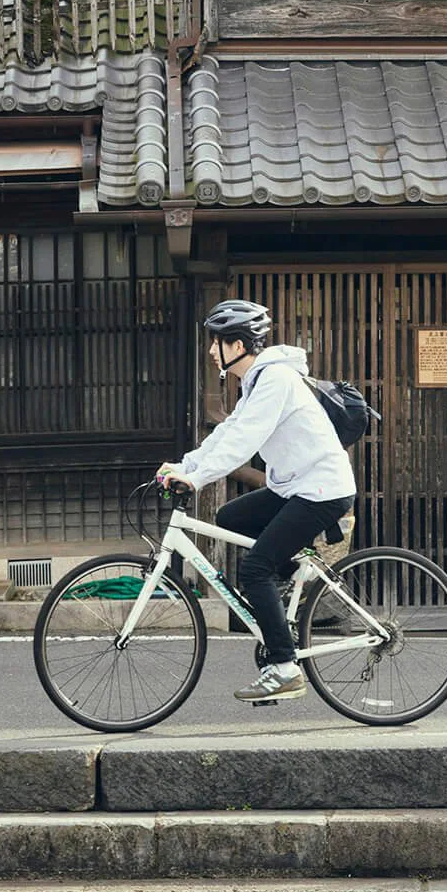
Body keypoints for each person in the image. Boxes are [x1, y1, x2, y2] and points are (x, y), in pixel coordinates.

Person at [157, 298, 358, 705]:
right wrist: (184, 465)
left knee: (254, 570)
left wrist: (194, 479)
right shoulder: (256, 381)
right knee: (231, 516)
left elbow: (244, 444)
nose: (212, 350)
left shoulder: (275, 381)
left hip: (321, 489)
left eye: (217, 341)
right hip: (294, 487)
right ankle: (289, 583)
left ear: (238, 344)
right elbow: (228, 432)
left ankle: (284, 668)